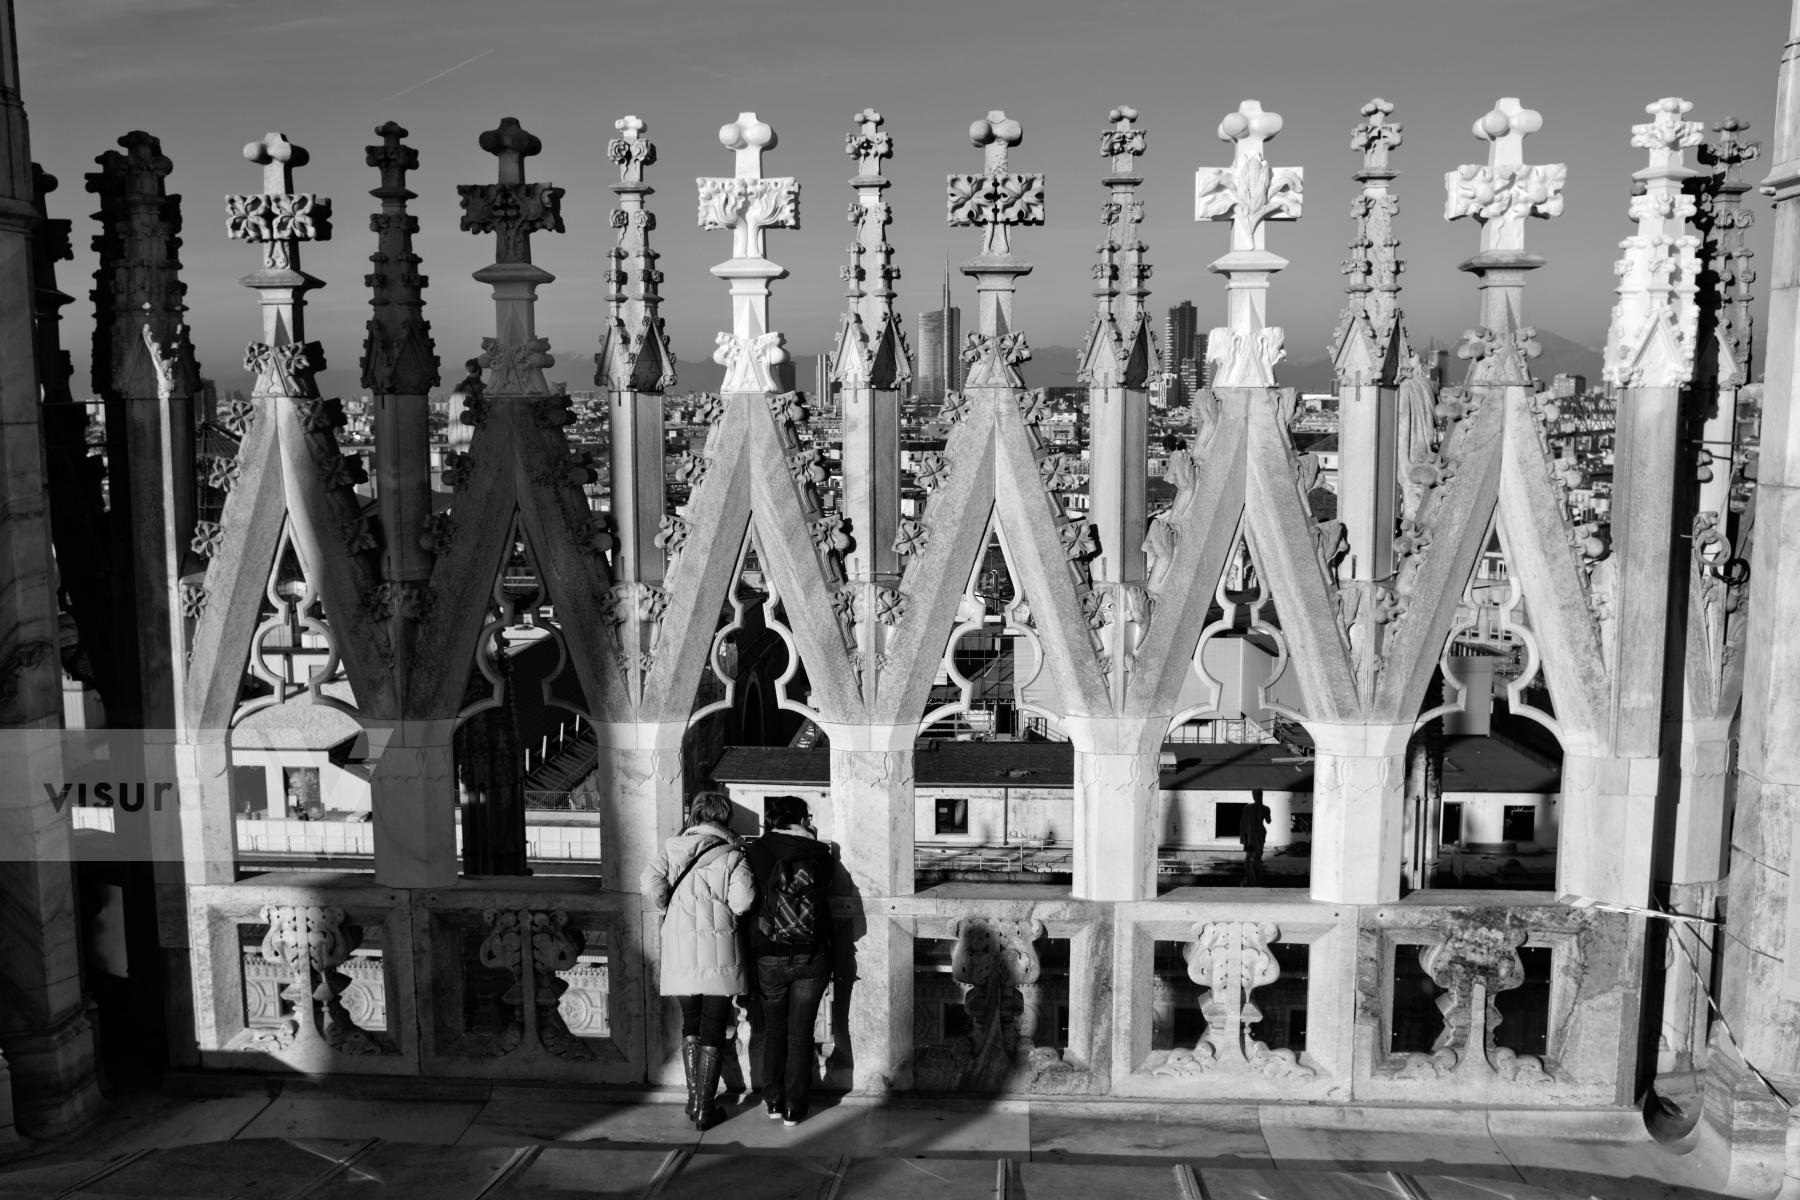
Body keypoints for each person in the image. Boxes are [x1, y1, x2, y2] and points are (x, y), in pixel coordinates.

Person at [642, 790, 754, 1131]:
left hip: (679, 949)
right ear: (726, 818)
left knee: (690, 1023)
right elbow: (744, 901)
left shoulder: (672, 848)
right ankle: (706, 1108)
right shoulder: (734, 854)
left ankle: (694, 1101)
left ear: (696, 815)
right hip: (719, 950)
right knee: (713, 1029)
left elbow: (649, 881)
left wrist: (668, 906)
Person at [746, 794, 835, 1128]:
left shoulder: (756, 851)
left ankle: (773, 1099)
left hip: (769, 953)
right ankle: (795, 1106)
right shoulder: (820, 854)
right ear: (803, 819)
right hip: (812, 954)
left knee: (774, 1031)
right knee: (800, 1034)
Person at [1239, 789, 1272, 886]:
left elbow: (1242, 824)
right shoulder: (1266, 808)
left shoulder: (1248, 807)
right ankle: (1253, 878)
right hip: (1259, 834)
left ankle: (1250, 878)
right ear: (1261, 795)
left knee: (1249, 856)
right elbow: (1269, 821)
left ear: (1254, 796)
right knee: (1257, 855)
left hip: (1250, 836)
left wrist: (1244, 839)